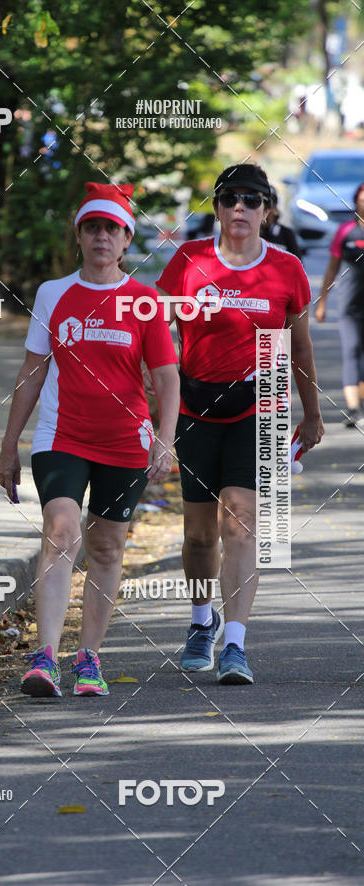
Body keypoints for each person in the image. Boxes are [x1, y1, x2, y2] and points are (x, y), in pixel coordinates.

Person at [0, 182, 179, 697]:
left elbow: (166, 377)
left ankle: (89, 657)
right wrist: (9, 444)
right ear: (79, 237)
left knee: (106, 545)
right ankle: (45, 656)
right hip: (62, 436)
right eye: (92, 227)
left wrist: (165, 440)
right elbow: (32, 373)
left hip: (125, 442)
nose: (102, 237)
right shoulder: (52, 294)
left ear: (126, 242)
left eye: (112, 229)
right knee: (61, 531)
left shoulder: (145, 301)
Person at [156, 163, 324, 684]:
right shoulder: (189, 260)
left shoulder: (286, 268)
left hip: (263, 403)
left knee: (241, 518)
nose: (240, 209)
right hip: (194, 405)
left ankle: (235, 644)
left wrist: (313, 412)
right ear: (217, 208)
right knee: (201, 534)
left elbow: (299, 345)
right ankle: (201, 621)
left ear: (267, 211)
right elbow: (158, 335)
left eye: (252, 201)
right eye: (230, 199)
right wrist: (149, 405)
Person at [315, 182, 364, 427]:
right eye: (362, 198)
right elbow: (331, 268)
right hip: (349, 306)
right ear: (356, 201)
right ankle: (354, 409)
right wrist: (322, 302)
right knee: (351, 351)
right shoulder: (346, 231)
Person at [260, 186, 302, 258]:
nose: (265, 213)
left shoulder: (286, 234)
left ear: (275, 209)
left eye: (268, 208)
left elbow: (298, 265)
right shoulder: (250, 234)